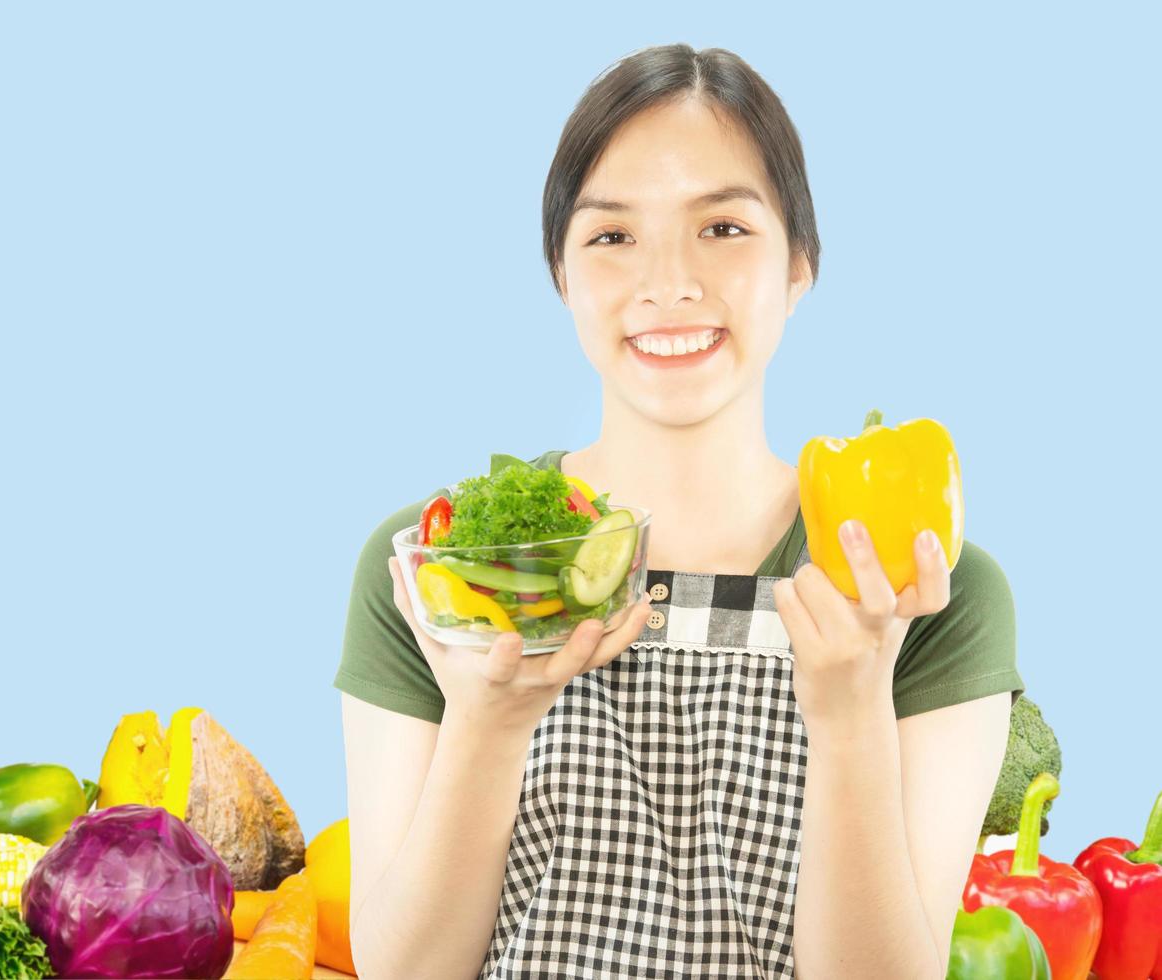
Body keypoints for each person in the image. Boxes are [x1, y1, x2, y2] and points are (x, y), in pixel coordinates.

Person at [334, 43, 1022, 980]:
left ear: (800, 266)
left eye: (725, 228)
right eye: (612, 237)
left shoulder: (924, 584)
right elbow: (403, 973)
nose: (669, 284)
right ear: (561, 274)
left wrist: (851, 708)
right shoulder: (444, 565)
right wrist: (486, 729)